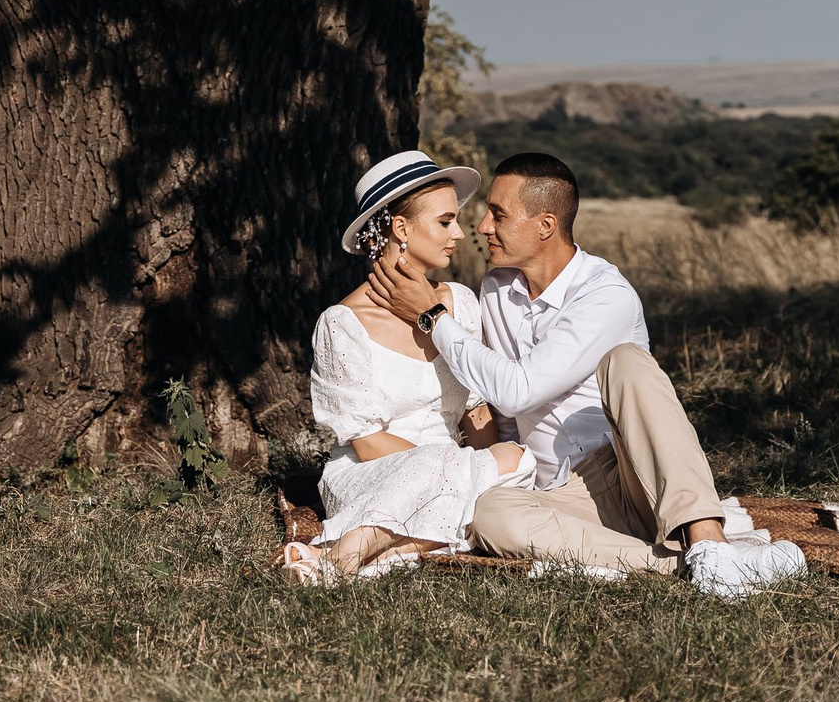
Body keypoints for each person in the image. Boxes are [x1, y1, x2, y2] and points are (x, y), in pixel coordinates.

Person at [367, 152, 807, 598]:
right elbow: (498, 404)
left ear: (545, 225)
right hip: (561, 492)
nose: (482, 228)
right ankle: (699, 568)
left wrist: (432, 318)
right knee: (488, 514)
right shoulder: (496, 289)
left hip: (633, 474)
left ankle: (709, 541)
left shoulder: (605, 294)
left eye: (498, 214)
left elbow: (519, 390)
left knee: (627, 362)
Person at [275, 152, 535, 585]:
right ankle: (345, 559)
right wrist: (464, 467)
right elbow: (366, 443)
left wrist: (483, 462)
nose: (459, 232)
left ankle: (344, 558)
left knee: (519, 461)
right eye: (445, 221)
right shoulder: (342, 325)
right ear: (401, 228)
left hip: (458, 467)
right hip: (374, 475)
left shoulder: (460, 304)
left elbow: (477, 413)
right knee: (484, 466)